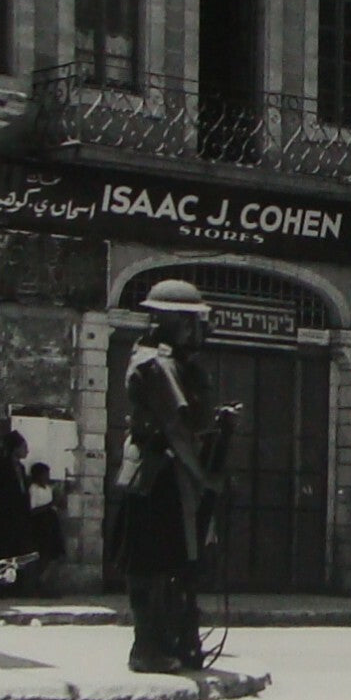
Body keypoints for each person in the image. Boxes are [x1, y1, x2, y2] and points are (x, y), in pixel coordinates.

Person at [110, 278, 232, 674]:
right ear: (171, 320)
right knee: (155, 565)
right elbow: (177, 432)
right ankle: (148, 648)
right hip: (157, 476)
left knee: (170, 565)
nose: (199, 330)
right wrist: (204, 478)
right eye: (192, 321)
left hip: (162, 474)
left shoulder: (169, 360)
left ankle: (168, 643)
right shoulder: (157, 363)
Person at [0, 428, 31, 560]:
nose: (27, 451)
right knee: (5, 551)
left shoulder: (21, 468)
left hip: (19, 517)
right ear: (15, 448)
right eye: (23, 447)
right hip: (5, 517)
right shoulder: (0, 467)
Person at [27, 461, 66, 596]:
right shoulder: (34, 489)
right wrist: (50, 505)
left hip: (51, 523)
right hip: (40, 524)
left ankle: (44, 582)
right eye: (44, 474)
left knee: (55, 555)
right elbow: (33, 510)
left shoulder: (48, 489)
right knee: (43, 554)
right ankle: (39, 584)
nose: (47, 477)